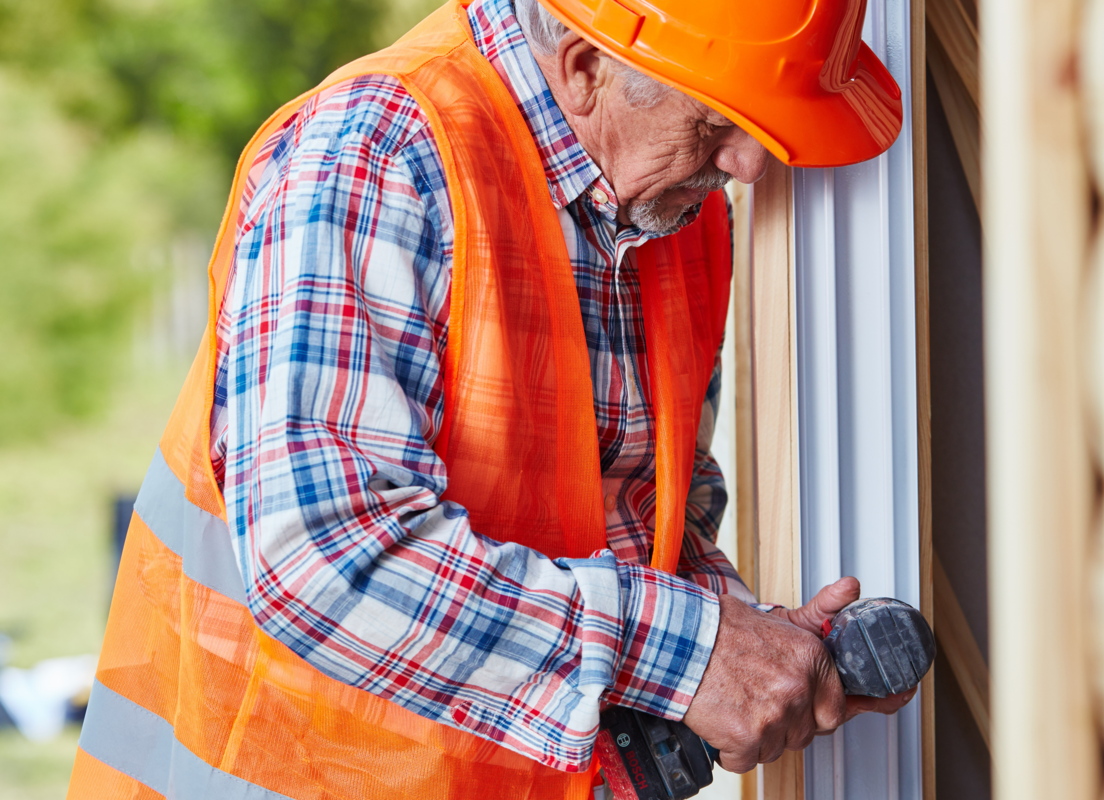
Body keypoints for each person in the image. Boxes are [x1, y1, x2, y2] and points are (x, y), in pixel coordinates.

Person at [67, 0, 911, 797]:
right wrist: (688, 650)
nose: (751, 165)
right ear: (584, 67)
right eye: (717, 120)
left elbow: (642, 505)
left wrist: (744, 640)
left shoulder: (674, 210)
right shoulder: (378, 153)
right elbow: (327, 556)